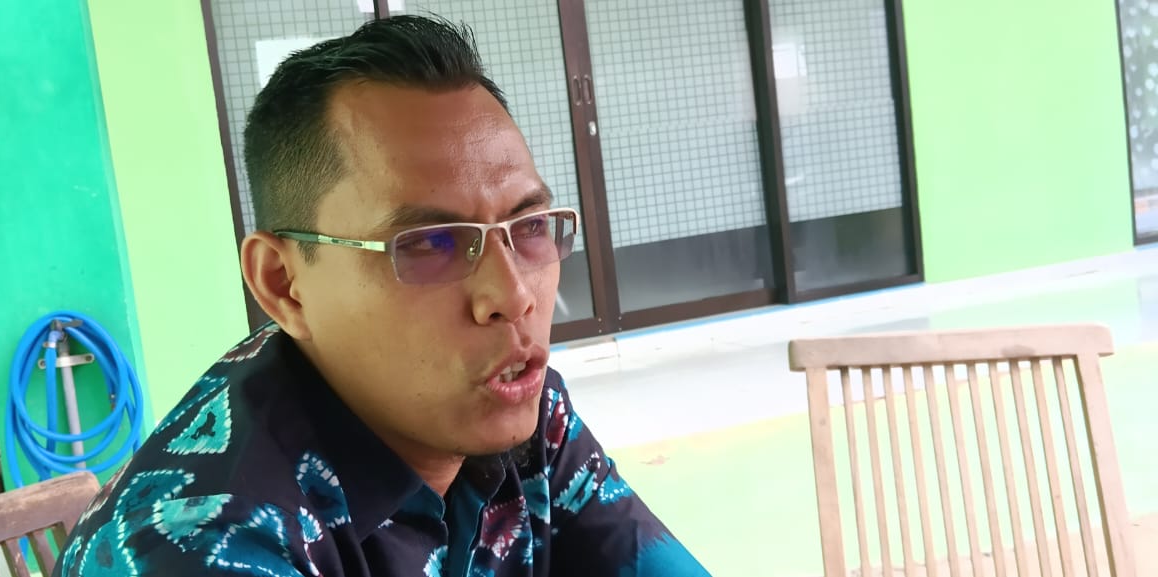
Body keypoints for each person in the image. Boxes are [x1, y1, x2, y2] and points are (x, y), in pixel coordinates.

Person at [55, 15, 709, 577]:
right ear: (284, 285)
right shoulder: (205, 544)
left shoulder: (522, 410)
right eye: (431, 244)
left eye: (529, 226)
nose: (512, 296)